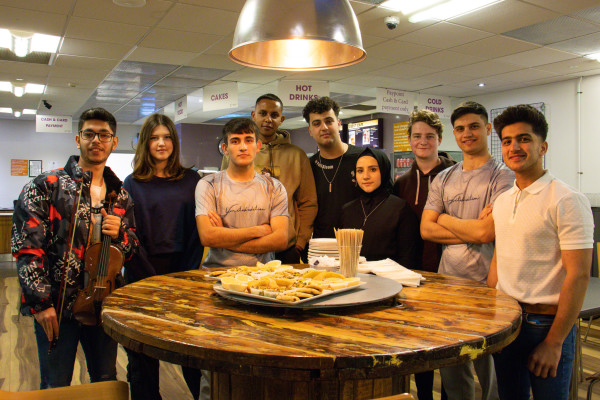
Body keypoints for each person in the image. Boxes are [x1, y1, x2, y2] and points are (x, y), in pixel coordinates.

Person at [11, 107, 138, 389]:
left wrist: (121, 236)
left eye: (104, 135)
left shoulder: (121, 195)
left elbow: (131, 247)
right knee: (56, 384)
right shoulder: (47, 185)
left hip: (103, 304)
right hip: (57, 305)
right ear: (77, 139)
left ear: (114, 142)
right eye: (89, 134)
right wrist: (41, 303)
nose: (96, 140)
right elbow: (27, 248)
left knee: (105, 380)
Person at [488, 105, 593, 400]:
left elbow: (579, 274)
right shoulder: (503, 200)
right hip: (507, 321)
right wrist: (493, 305)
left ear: (542, 146)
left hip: (545, 325)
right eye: (507, 141)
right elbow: (500, 254)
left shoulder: (567, 199)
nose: (514, 147)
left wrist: (555, 342)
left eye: (524, 139)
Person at [420, 101, 514, 400]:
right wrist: (470, 227)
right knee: (452, 365)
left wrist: (444, 218)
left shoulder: (504, 175)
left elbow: (489, 232)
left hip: (489, 285)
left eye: (474, 126)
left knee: (489, 366)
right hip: (448, 284)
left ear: (488, 129)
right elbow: (426, 229)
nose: (467, 133)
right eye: (460, 128)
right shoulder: (443, 177)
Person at [122, 113, 206, 400]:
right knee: (142, 356)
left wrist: (184, 277)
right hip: (141, 275)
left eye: (167, 137)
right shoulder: (132, 183)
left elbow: (198, 234)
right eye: (155, 137)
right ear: (145, 143)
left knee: (191, 351)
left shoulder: (192, 180)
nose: (161, 143)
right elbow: (129, 234)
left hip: (184, 275)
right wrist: (150, 280)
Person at [394, 109, 455, 400]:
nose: (423, 141)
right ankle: (424, 396)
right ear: (409, 140)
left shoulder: (456, 174)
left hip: (450, 272)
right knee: (419, 340)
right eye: (417, 136)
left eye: (429, 136)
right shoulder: (402, 183)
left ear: (439, 139)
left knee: (450, 343)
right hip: (413, 274)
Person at [221, 94, 317, 263]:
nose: (268, 119)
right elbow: (224, 197)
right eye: (263, 113)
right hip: (245, 246)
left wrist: (300, 243)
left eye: (274, 115)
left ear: (281, 119)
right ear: (253, 115)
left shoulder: (297, 155)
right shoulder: (237, 153)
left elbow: (308, 203)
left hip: (286, 249)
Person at [196, 117, 289, 268]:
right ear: (225, 149)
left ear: (257, 146)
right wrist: (258, 231)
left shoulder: (274, 187)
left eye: (248, 140)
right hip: (217, 272)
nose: (243, 147)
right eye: (235, 141)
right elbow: (207, 237)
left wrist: (225, 237)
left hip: (262, 274)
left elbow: (280, 240)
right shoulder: (208, 185)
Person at [339, 147, 418, 268]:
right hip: (353, 280)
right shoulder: (348, 209)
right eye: (360, 171)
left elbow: (408, 258)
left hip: (390, 281)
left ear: (384, 171)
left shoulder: (400, 208)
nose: (366, 176)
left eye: (373, 170)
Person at [303, 96, 362, 238]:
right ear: (310, 130)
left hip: (358, 246)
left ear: (339, 124)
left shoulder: (363, 159)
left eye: (329, 121)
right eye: (316, 123)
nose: (324, 127)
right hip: (319, 249)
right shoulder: (307, 167)